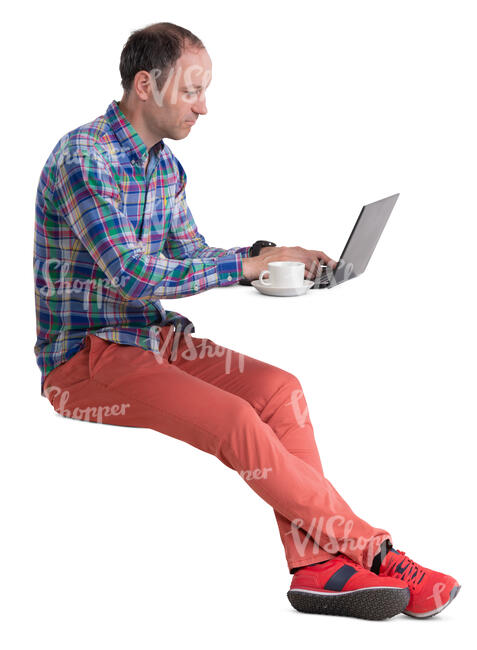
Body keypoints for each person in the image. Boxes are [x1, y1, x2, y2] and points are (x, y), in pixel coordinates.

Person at [33, 22, 460, 620]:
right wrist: (244, 266)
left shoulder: (165, 169)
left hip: (153, 339)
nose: (204, 107)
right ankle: (378, 552)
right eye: (192, 91)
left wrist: (272, 258)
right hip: (85, 359)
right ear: (144, 85)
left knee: (280, 391)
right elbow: (131, 275)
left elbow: (189, 257)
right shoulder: (86, 158)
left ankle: (315, 571)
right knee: (236, 419)